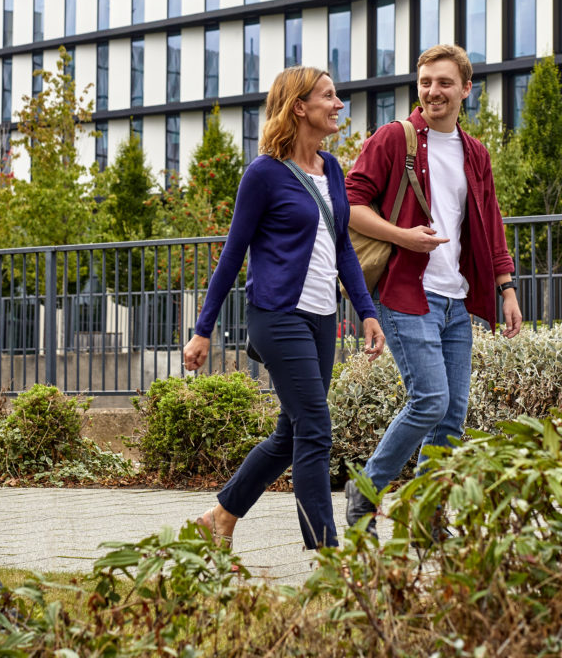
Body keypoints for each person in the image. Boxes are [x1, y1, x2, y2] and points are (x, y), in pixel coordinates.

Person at [182, 66, 385, 549]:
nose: (339, 105)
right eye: (329, 97)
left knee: (290, 436)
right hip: (276, 315)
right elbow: (233, 253)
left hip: (321, 319)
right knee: (316, 431)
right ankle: (330, 553)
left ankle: (221, 517)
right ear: (300, 106)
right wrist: (202, 329)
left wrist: (367, 310)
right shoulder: (264, 174)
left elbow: (342, 250)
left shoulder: (333, 169)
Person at [343, 44, 522, 531]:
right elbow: (350, 205)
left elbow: (491, 222)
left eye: (444, 83)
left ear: (466, 89)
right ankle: (366, 490)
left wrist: (505, 286)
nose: (432, 91)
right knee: (429, 399)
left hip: (455, 298)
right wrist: (403, 237)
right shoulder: (394, 139)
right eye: (425, 82)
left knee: (452, 415)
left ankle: (426, 516)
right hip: (405, 292)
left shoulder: (474, 152)